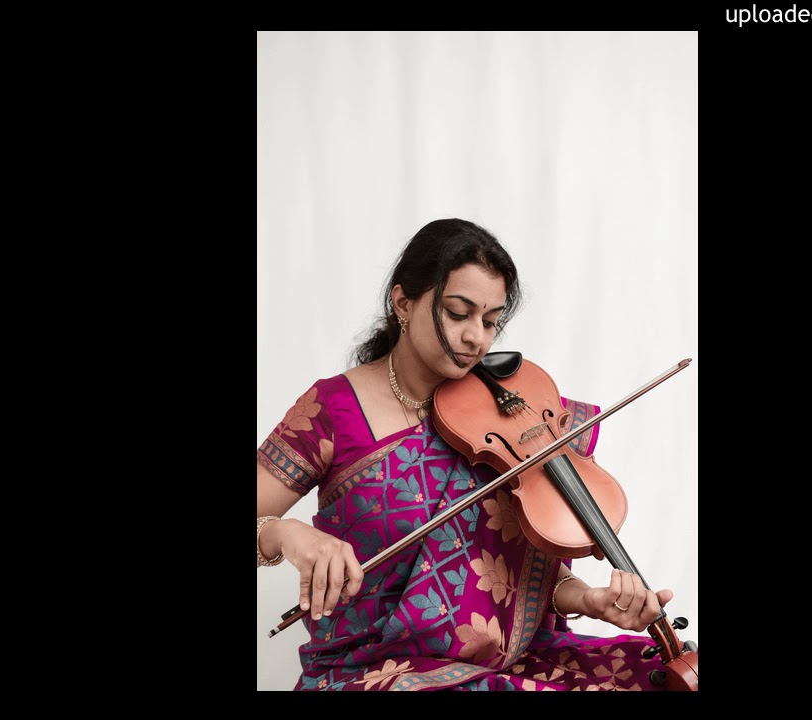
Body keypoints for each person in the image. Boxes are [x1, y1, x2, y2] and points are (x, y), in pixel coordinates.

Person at [257, 218, 678, 691]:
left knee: (659, 676)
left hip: (512, 662)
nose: (477, 338)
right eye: (458, 313)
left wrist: (587, 598)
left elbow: (522, 575)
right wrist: (288, 534)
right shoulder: (333, 410)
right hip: (374, 670)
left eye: (491, 321)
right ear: (403, 303)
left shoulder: (511, 418)